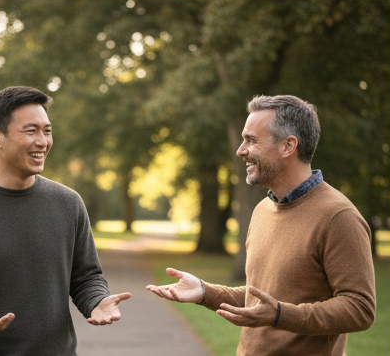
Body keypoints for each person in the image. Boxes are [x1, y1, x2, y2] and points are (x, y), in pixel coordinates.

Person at [146, 94, 375, 356]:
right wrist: (204, 292)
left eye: (251, 140)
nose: (240, 150)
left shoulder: (338, 216)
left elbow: (360, 308)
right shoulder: (262, 210)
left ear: (288, 146)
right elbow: (261, 297)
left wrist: (280, 314)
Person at [0, 86, 130, 356]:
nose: (42, 141)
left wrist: (97, 301)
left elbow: (86, 276)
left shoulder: (68, 203)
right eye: (31, 131)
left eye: (47, 131)